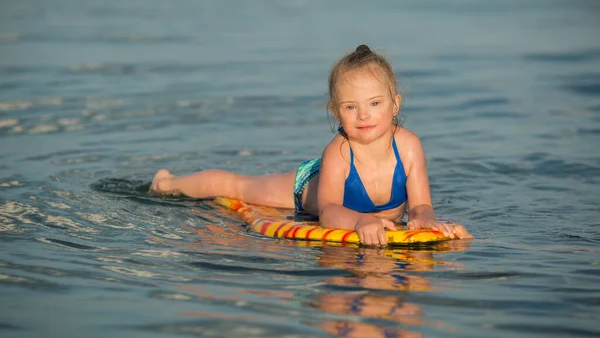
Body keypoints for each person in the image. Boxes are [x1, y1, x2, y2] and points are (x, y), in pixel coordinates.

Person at [150, 44, 473, 246]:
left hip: (366, 215)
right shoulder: (340, 151)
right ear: (336, 112)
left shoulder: (410, 146)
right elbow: (330, 212)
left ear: (395, 104)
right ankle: (168, 182)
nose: (364, 115)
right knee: (238, 186)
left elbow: (421, 204)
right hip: (306, 192)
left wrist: (424, 218)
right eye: (350, 107)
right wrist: (361, 221)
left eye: (374, 103)